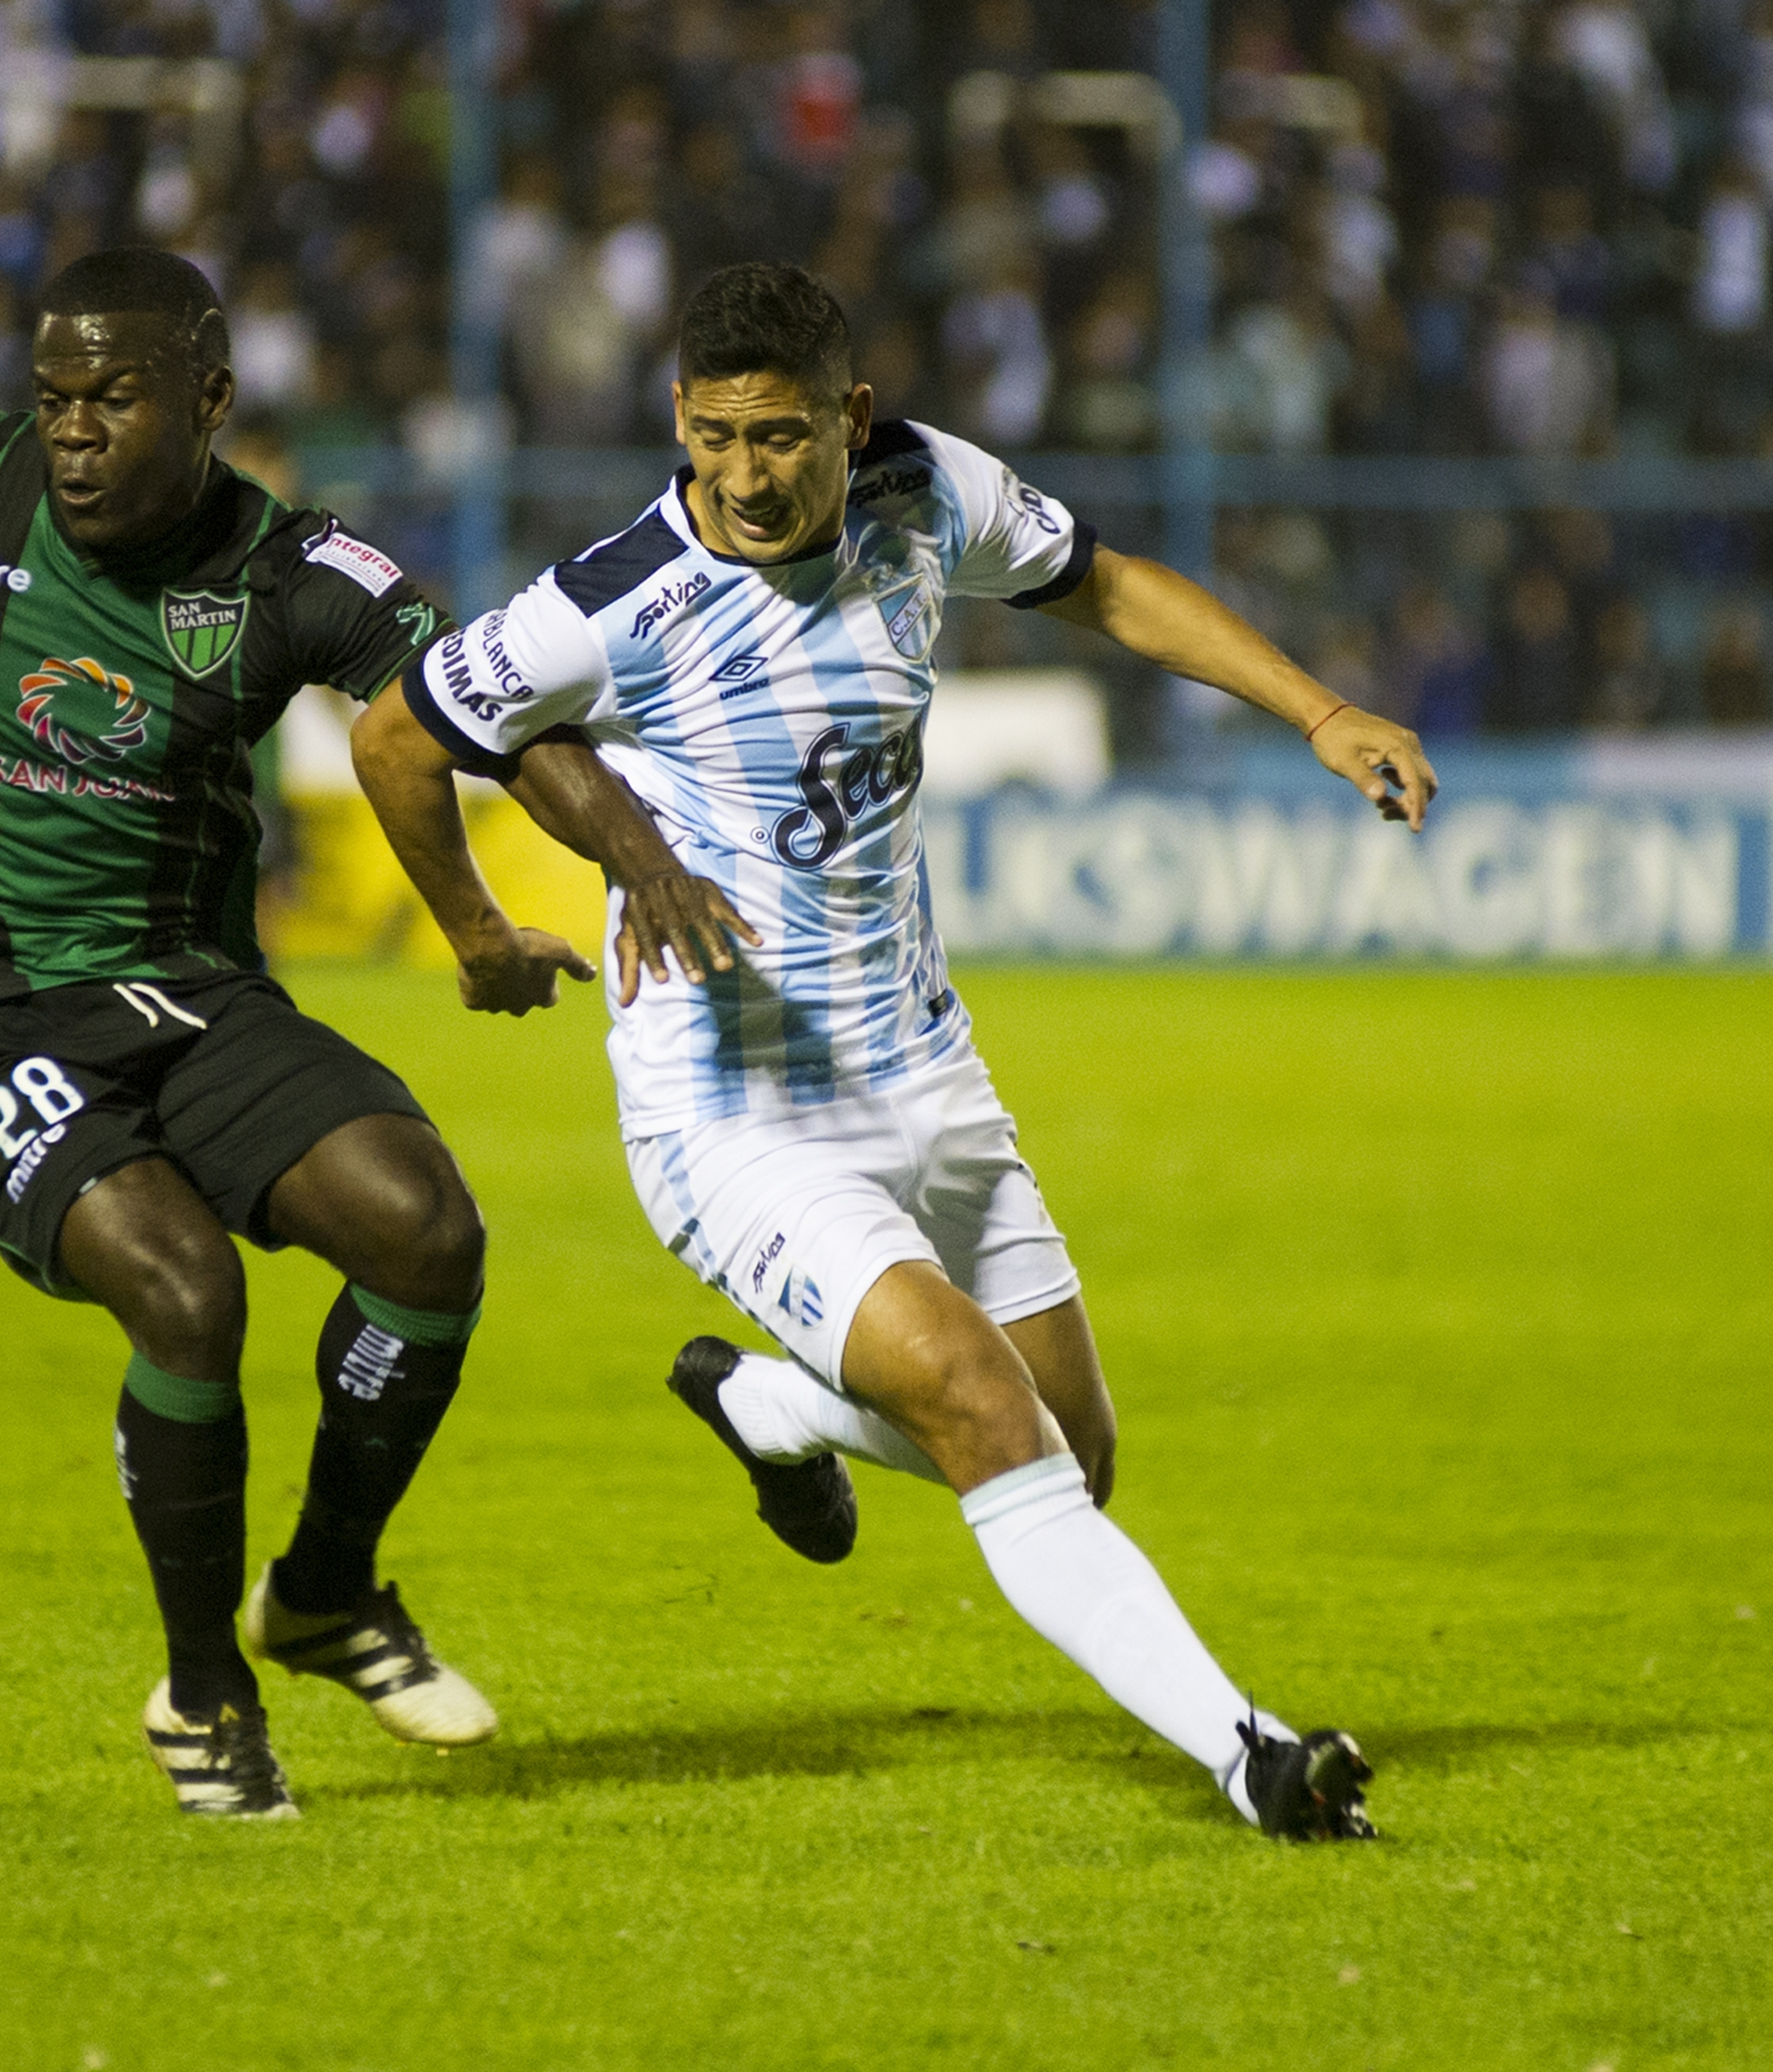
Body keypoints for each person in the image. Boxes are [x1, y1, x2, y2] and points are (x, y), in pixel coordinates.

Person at [353, 263, 1440, 1843]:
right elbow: (399, 733)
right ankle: (1256, 1755)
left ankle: (778, 1410)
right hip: (732, 1115)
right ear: (678, 418)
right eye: (715, 435)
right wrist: (473, 935)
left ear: (851, 421)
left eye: (783, 436)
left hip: (925, 1071)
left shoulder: (927, 491)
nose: (745, 474)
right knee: (986, 1413)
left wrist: (1319, 709)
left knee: (1076, 1452)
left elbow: (1113, 584)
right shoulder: (606, 601)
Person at [0, 247, 620, 1822]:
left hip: (189, 988)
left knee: (427, 1232)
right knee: (185, 1287)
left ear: (211, 403)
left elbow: (478, 718)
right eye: (58, 398)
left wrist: (580, 890)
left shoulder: (295, 575)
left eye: (115, 398)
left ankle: (322, 1590)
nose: (75, 432)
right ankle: (205, 1694)